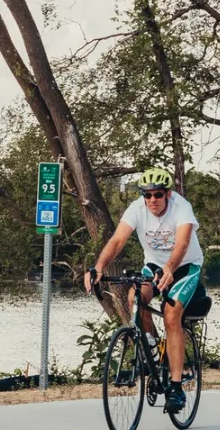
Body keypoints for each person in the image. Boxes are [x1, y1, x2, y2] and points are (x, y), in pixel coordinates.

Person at [83, 165, 203, 414]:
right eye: (147, 195)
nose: (152, 200)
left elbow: (182, 244)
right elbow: (117, 240)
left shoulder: (182, 208)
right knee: (134, 297)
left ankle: (176, 386)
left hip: (185, 266)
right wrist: (99, 267)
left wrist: (170, 268)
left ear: (168, 194)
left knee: (171, 315)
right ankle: (153, 350)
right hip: (154, 265)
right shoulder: (137, 208)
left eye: (157, 194)